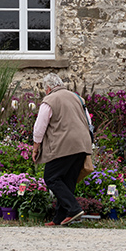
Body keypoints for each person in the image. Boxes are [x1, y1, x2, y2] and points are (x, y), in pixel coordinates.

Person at [31, 72, 94, 226]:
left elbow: (40, 126)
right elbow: (89, 120)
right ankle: (60, 218)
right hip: (82, 143)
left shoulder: (49, 100)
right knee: (68, 181)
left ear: (47, 88)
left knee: (51, 177)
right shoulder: (77, 97)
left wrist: (35, 147)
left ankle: (74, 209)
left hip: (64, 144)